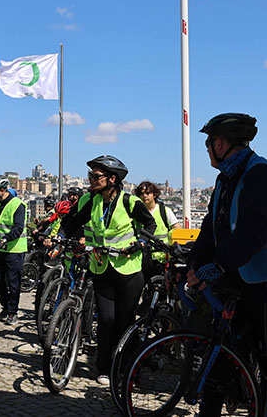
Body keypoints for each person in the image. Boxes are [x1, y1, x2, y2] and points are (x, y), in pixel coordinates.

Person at [186, 113, 267, 416]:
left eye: (207, 144)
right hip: (245, 275)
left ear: (219, 143)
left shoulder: (264, 174)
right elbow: (212, 226)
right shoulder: (227, 177)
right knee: (224, 352)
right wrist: (196, 261)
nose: (206, 150)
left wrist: (217, 266)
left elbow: (252, 233)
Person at [61, 155, 158, 385]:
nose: (91, 180)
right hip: (101, 266)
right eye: (90, 176)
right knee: (106, 319)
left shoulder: (129, 202)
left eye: (96, 176)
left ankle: (126, 365)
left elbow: (150, 225)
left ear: (112, 179)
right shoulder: (91, 200)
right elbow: (72, 221)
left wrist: (141, 243)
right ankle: (103, 367)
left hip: (129, 270)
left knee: (124, 321)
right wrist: (60, 235)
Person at [0, 176, 27, 325]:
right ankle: (5, 307)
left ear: (2, 191)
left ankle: (12, 312)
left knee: (13, 283)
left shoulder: (18, 205)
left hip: (14, 250)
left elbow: (18, 228)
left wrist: (4, 239)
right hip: (0, 249)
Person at [134, 180, 179, 276]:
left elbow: (178, 231)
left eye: (147, 193)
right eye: (142, 194)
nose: (145, 196)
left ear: (154, 195)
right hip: (142, 259)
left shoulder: (165, 211)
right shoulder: (136, 214)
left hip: (162, 260)